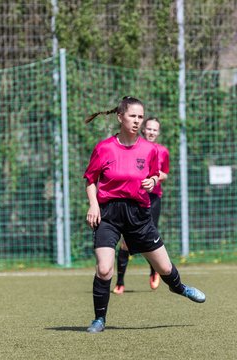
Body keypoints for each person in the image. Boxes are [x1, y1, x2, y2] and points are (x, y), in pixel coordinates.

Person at [83, 96, 205, 334]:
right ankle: (99, 319)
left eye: (140, 116)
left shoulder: (150, 150)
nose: (137, 121)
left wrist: (151, 182)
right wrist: (93, 205)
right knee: (104, 269)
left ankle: (179, 288)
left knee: (166, 269)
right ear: (120, 117)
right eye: (132, 116)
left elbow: (152, 176)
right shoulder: (104, 148)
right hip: (108, 213)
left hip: (138, 214)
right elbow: (91, 179)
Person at [113, 117, 169, 294]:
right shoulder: (136, 147)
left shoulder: (162, 151)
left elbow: (165, 174)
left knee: (149, 235)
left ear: (158, 132)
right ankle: (120, 282)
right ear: (144, 130)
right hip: (133, 198)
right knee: (125, 241)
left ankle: (154, 270)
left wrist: (153, 177)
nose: (152, 132)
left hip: (153, 199)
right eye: (149, 128)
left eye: (155, 129)